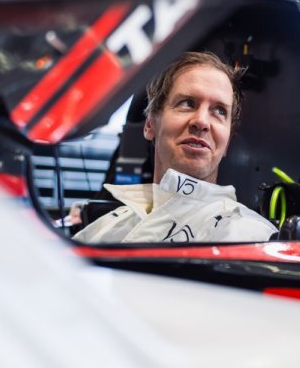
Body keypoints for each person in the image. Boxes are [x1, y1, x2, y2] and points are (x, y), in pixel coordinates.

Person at [74, 51, 277, 243]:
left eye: (219, 111)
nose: (202, 121)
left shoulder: (251, 235)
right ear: (150, 124)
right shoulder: (100, 232)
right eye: (188, 103)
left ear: (227, 144)